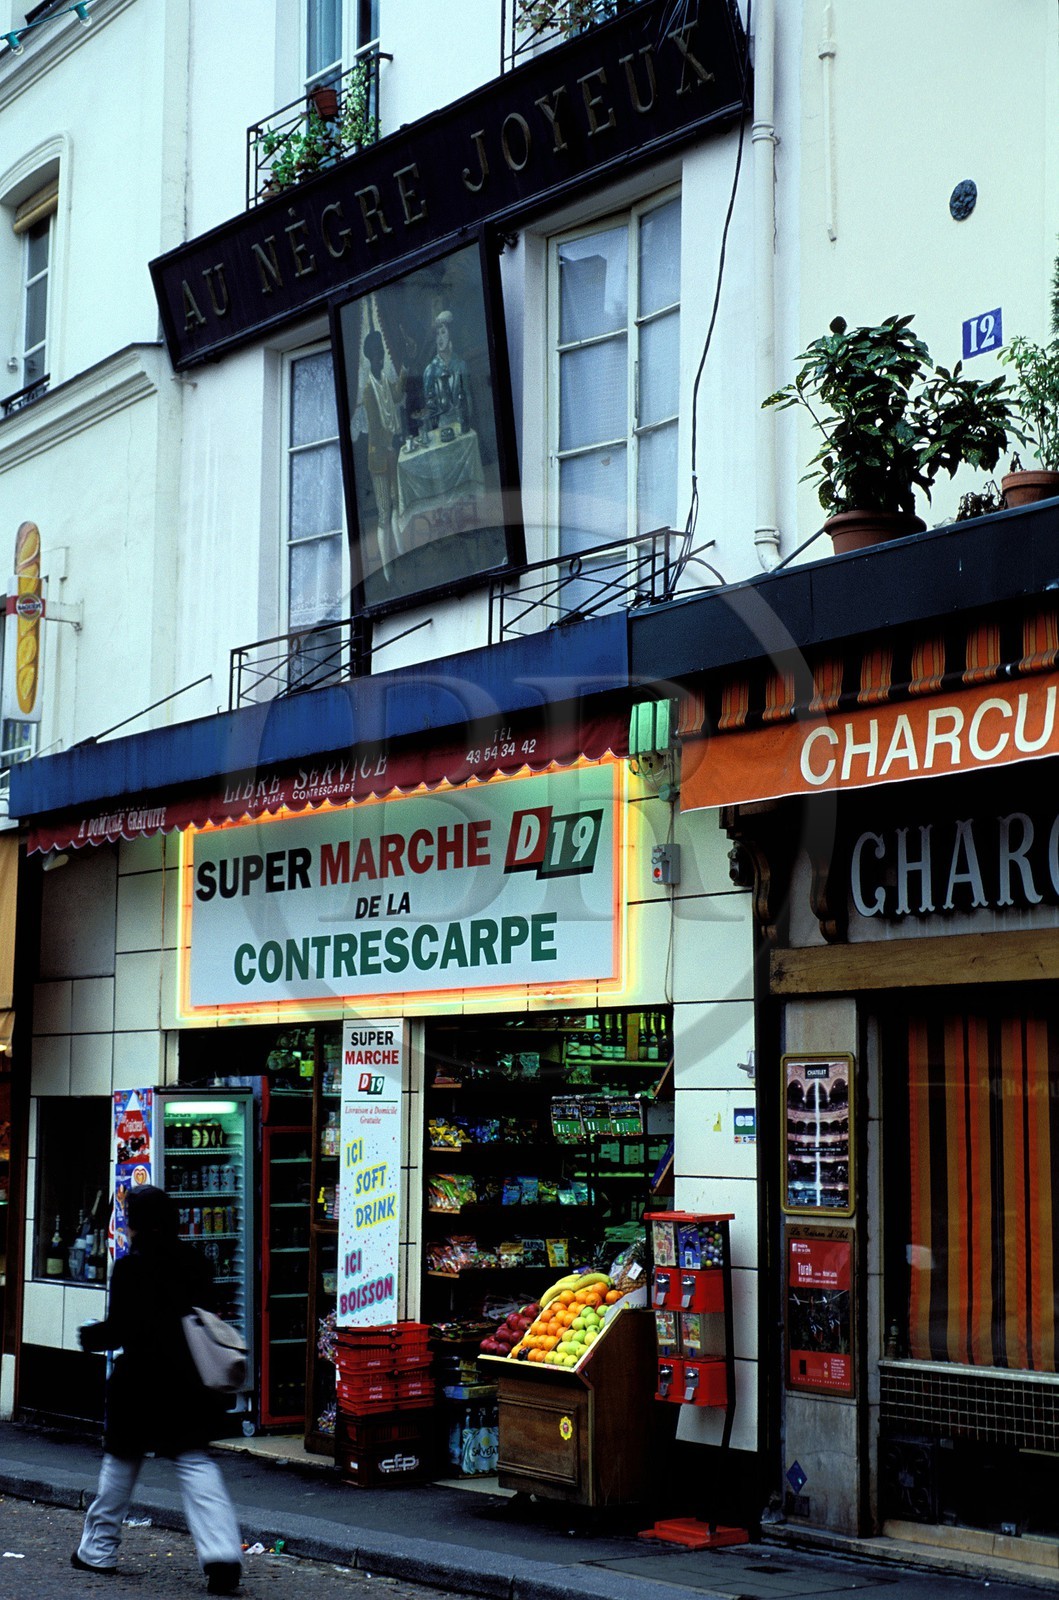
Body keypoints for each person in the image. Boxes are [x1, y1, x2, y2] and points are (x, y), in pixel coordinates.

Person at [74, 1185, 243, 1595]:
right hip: (188, 1381)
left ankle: (98, 1550)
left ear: (136, 1224)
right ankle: (222, 1556)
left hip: (139, 1381)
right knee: (195, 1464)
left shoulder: (131, 1268)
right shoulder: (196, 1263)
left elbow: (122, 1329)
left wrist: (89, 1337)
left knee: (120, 1465)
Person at [422, 309, 471, 430]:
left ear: (451, 335)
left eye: (443, 332)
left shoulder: (461, 365)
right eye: (437, 334)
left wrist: (466, 421)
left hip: (462, 424)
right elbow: (429, 407)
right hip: (441, 428)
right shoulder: (430, 370)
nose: (439, 339)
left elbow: (467, 397)